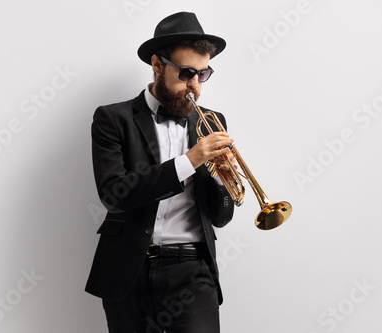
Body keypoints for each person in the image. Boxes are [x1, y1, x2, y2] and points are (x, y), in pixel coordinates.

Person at [86, 11, 236, 333]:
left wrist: (222, 180)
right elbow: (114, 194)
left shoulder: (213, 121)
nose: (194, 86)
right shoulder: (113, 119)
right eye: (185, 73)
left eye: (203, 74)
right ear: (157, 65)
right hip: (128, 269)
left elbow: (220, 217)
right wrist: (190, 161)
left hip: (192, 270)